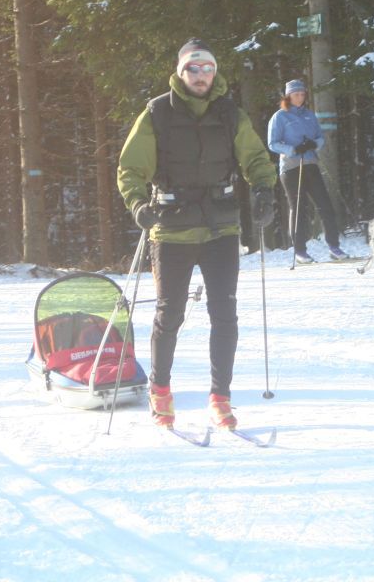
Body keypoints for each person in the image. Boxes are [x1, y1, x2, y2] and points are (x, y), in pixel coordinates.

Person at [118, 38, 278, 431]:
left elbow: (256, 157)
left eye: (208, 68)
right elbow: (130, 167)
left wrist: (263, 189)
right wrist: (138, 204)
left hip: (221, 226)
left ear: (215, 73)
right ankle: (160, 390)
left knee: (225, 314)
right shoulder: (157, 113)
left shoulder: (230, 114)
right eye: (193, 68)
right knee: (169, 313)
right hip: (171, 227)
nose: (201, 75)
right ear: (180, 72)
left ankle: (220, 397)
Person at [266, 79, 347, 263]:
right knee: (298, 208)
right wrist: (293, 149)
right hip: (291, 167)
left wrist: (313, 144)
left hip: (310, 163)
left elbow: (320, 137)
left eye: (302, 94)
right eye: (296, 94)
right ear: (288, 96)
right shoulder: (280, 116)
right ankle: (300, 251)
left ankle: (334, 246)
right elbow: (273, 143)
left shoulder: (310, 115)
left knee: (325, 205)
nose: (300, 97)